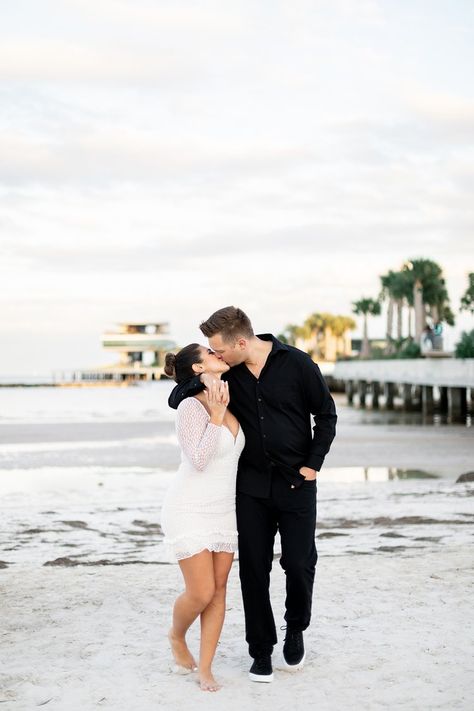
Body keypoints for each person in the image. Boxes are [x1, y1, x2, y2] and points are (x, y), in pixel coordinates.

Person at [168, 307, 337, 683]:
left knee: (298, 562)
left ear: (241, 342)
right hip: (250, 490)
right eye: (211, 353)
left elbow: (325, 415)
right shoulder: (227, 375)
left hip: (297, 484)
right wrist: (201, 388)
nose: (218, 357)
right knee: (253, 572)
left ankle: (296, 630)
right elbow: (180, 395)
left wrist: (313, 464)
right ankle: (260, 650)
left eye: (220, 350)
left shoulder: (297, 364)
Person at [161, 343, 244, 692]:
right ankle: (176, 635)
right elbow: (198, 459)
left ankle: (206, 668)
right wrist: (215, 415)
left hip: (224, 509)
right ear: (197, 368)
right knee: (201, 591)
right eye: (210, 353)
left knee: (220, 591)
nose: (218, 354)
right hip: (189, 507)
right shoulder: (190, 407)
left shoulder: (228, 397)